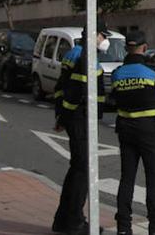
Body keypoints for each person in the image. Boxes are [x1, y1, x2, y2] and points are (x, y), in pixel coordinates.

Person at [109, 30, 155, 235]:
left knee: (127, 178)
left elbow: (113, 98)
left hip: (126, 130)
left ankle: (123, 228)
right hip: (149, 131)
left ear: (127, 48)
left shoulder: (118, 73)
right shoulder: (151, 72)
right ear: (145, 48)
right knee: (153, 178)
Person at [52, 27, 109, 235]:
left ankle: (63, 220)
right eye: (103, 36)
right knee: (83, 170)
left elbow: (60, 87)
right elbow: (78, 90)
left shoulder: (72, 53)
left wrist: (61, 115)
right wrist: (73, 114)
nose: (105, 41)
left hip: (74, 117)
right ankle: (75, 222)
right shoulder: (87, 58)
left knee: (76, 168)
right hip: (81, 118)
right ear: (95, 35)